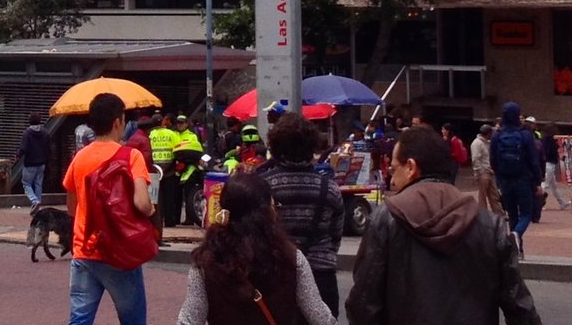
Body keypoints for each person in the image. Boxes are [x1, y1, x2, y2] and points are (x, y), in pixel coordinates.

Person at [345, 127, 541, 325]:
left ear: (411, 167)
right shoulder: (489, 224)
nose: (393, 181)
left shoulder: (385, 219)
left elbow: (364, 303)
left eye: (394, 170)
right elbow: (520, 307)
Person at [177, 171, 335, 325]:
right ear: (266, 214)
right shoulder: (291, 258)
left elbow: (189, 319)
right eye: (273, 206)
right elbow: (320, 316)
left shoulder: (207, 262)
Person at [64, 92, 154, 325]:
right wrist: (151, 211)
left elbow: (72, 207)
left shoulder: (79, 158)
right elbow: (142, 204)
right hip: (119, 251)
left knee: (79, 320)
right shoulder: (131, 156)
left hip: (84, 249)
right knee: (132, 319)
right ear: (117, 122)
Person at [259, 112, 344, 317]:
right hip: (320, 276)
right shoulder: (330, 189)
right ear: (311, 147)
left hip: (276, 275)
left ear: (276, 146)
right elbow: (335, 235)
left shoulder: (263, 186)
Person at [490, 102, 542, 259]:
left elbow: (493, 160)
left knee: (512, 214)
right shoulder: (525, 135)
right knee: (526, 213)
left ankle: (517, 251)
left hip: (505, 180)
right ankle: (516, 235)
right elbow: (534, 160)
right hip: (523, 179)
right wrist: (537, 181)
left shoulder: (497, 135)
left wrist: (499, 179)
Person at [149, 113, 181, 227]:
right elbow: (179, 149)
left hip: (154, 170)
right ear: (162, 122)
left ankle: (156, 222)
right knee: (169, 198)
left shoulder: (150, 134)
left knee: (154, 199)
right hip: (169, 170)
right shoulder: (171, 134)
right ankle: (170, 222)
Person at [16, 112, 50, 212]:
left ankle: (34, 200)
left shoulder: (27, 133)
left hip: (30, 162)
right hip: (42, 162)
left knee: (26, 183)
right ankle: (38, 202)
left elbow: (23, 148)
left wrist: (18, 155)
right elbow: (48, 148)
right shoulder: (45, 132)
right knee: (38, 184)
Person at [472, 124, 505, 216]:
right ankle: (483, 214)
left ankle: (499, 213)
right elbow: (475, 159)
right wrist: (478, 171)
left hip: (490, 171)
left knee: (494, 194)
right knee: (482, 195)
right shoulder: (477, 143)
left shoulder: (487, 142)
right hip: (483, 172)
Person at [539, 124, 570, 210]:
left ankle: (562, 202)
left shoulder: (545, 140)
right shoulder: (549, 141)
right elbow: (551, 152)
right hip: (549, 163)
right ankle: (538, 203)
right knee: (545, 185)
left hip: (549, 164)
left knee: (554, 185)